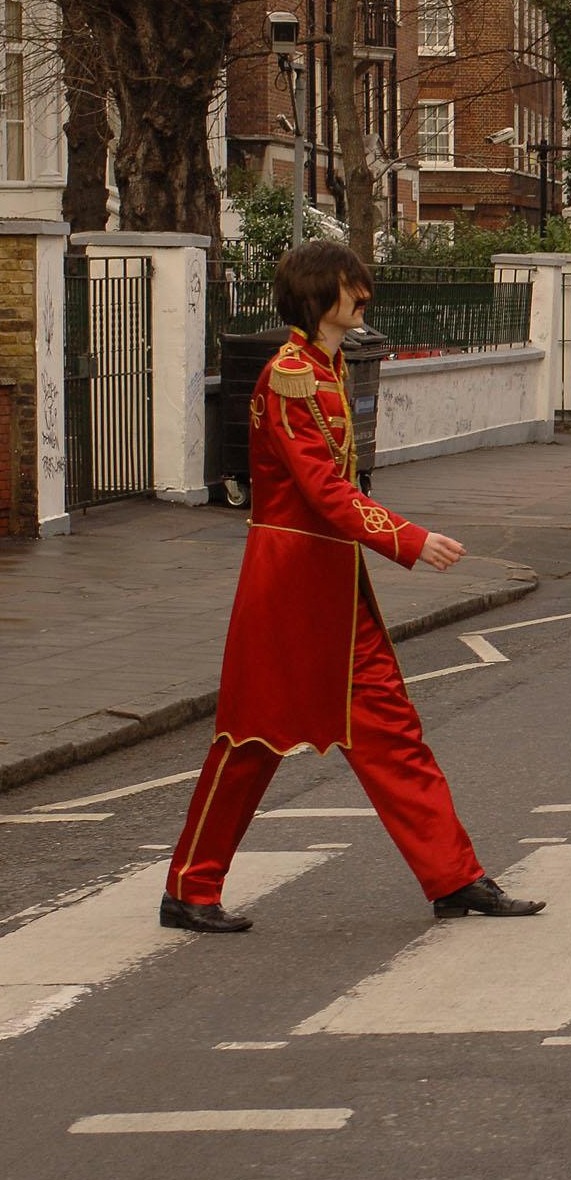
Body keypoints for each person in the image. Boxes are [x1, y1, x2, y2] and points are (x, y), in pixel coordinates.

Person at [161, 241, 543, 933]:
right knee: (251, 742)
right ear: (318, 293)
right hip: (290, 591)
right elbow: (323, 491)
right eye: (351, 286)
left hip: (335, 591)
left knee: (394, 734)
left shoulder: (328, 366)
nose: (364, 296)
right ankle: (189, 886)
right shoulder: (288, 376)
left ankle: (454, 877)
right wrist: (409, 539)